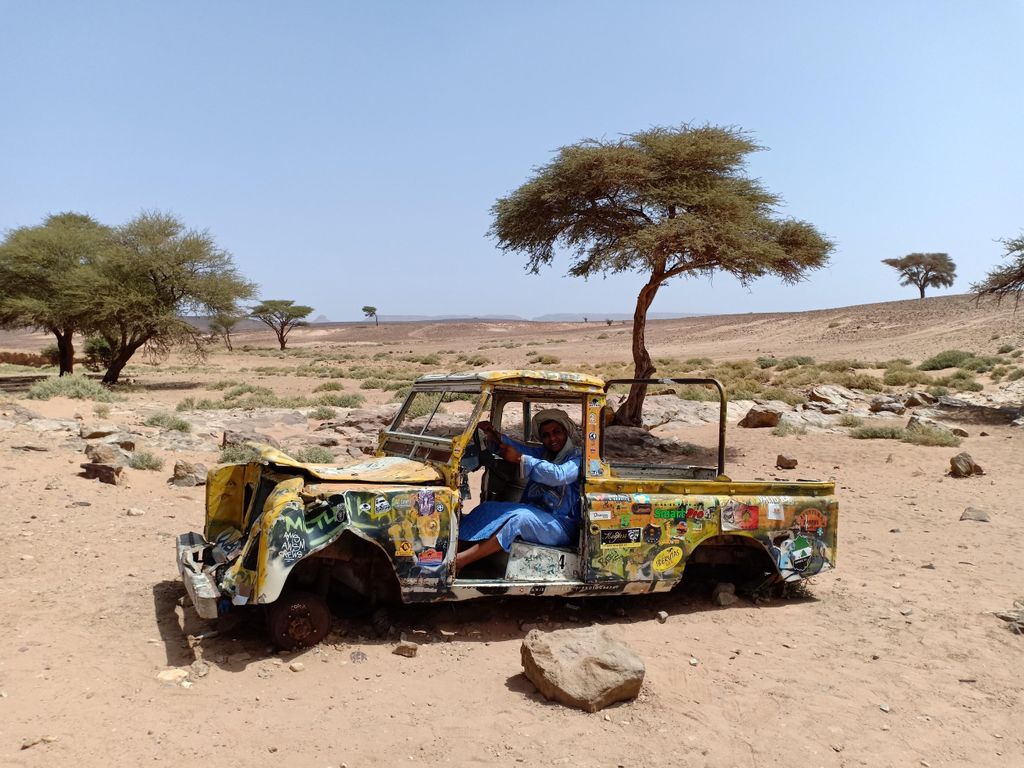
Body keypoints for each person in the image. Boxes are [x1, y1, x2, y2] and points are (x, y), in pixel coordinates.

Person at [455, 409, 582, 573]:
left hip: (561, 526)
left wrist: (520, 459)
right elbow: (519, 449)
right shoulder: (544, 453)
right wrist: (496, 437)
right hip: (539, 515)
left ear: (566, 431)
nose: (552, 438)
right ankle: (451, 552)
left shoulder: (577, 458)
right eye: (546, 435)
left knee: (519, 519)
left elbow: (559, 475)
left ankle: (460, 562)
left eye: (557, 432)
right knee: (487, 508)